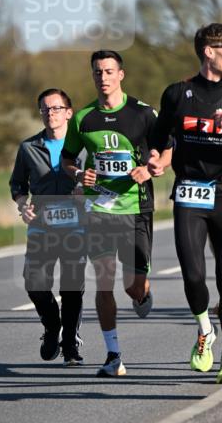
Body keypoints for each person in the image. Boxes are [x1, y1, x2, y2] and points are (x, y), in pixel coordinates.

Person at [147, 24, 222, 384]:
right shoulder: (176, 94)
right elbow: (158, 136)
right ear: (208, 52)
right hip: (188, 191)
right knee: (193, 275)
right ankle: (205, 331)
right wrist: (155, 157)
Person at [61, 51, 159, 378]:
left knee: (133, 287)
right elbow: (68, 159)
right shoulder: (82, 118)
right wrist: (78, 175)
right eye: (97, 73)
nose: (102, 78)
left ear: (121, 75)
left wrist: (149, 168)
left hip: (136, 207)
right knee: (104, 281)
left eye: (108, 71)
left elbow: (168, 150)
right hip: (99, 208)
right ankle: (113, 354)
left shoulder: (143, 114)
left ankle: (143, 293)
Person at [10, 88, 87, 365]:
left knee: (71, 286)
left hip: (76, 227)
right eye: (44, 109)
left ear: (68, 112)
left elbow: (99, 183)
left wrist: (86, 192)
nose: (50, 113)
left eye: (55, 108)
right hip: (41, 227)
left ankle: (70, 347)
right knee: (35, 284)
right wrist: (23, 205)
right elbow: (17, 185)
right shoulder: (29, 148)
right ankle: (52, 326)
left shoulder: (84, 148)